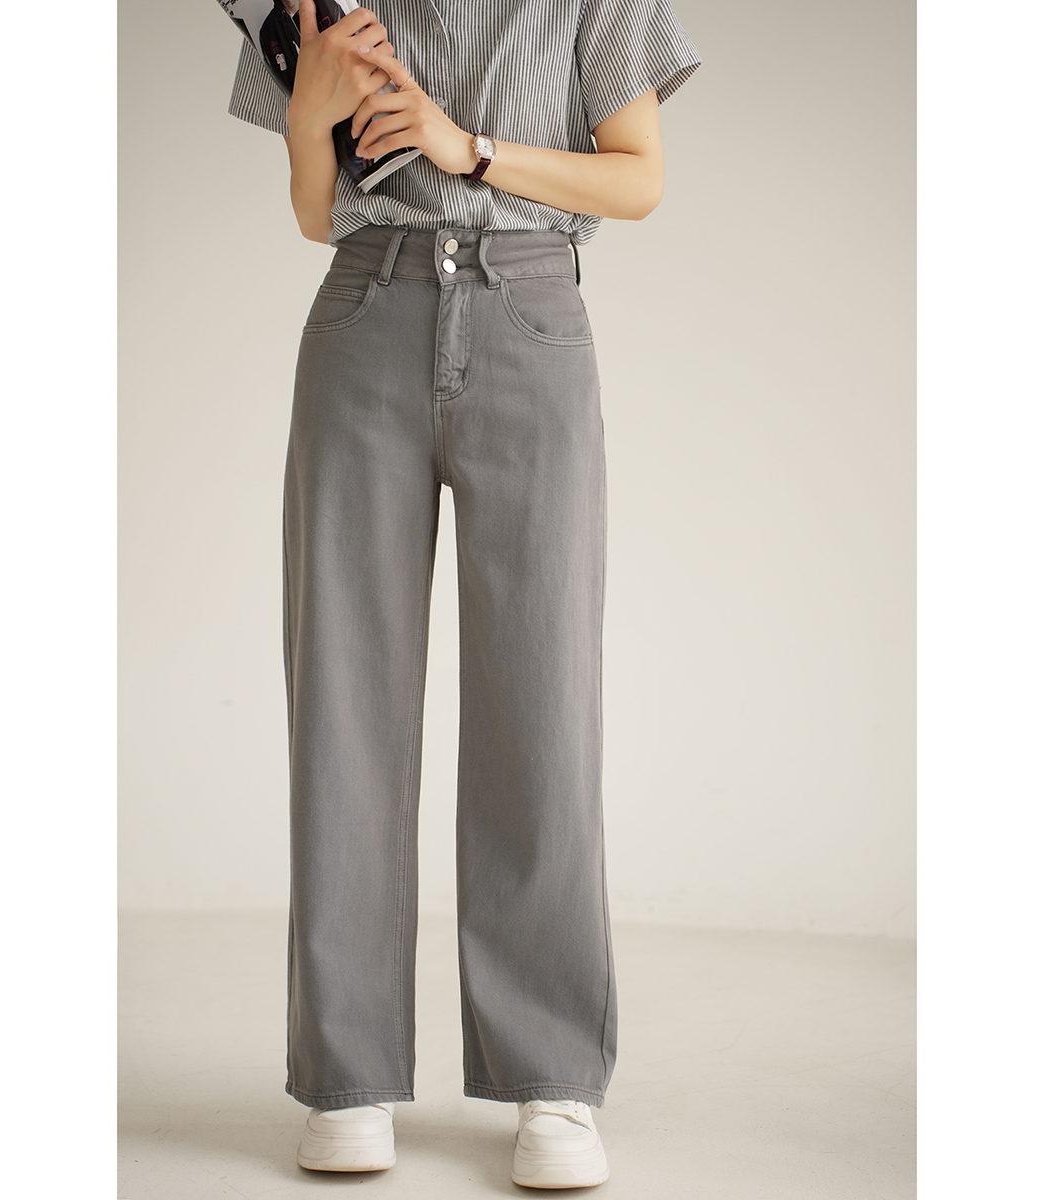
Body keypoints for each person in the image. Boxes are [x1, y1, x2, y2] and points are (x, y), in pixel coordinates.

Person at [225, 0, 701, 1188]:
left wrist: (466, 148)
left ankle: (553, 1075)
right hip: (364, 312)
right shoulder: (328, 6)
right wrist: (311, 115)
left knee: (541, 702)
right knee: (344, 706)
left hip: (529, 313)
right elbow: (316, 213)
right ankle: (347, 1075)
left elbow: (639, 180)